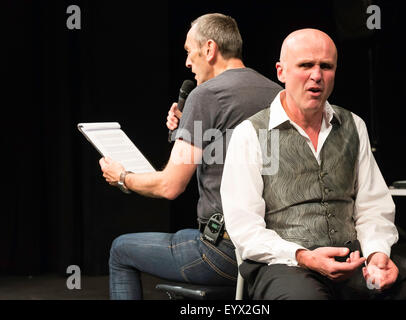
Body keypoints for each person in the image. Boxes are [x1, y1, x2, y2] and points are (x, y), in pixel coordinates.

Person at [220, 28, 406, 300]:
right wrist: (304, 256)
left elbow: (373, 206)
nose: (316, 75)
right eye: (306, 65)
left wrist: (377, 255)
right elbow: (245, 229)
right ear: (281, 72)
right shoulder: (251, 134)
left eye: (326, 66)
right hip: (285, 265)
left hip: (353, 262)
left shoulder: (353, 125)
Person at [99, 13, 282, 299]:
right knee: (186, 236)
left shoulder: (206, 94)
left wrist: (123, 177)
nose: (186, 62)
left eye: (188, 51)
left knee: (121, 249)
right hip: (274, 250)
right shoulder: (277, 93)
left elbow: (170, 186)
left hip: (223, 254)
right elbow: (229, 146)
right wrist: (187, 125)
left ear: (209, 49)